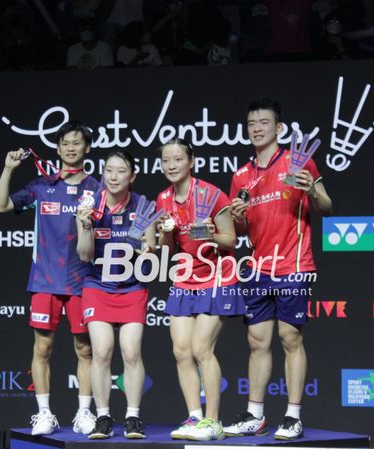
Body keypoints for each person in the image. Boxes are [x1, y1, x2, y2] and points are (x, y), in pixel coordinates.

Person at [225, 99, 332, 440]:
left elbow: (327, 207)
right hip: (257, 268)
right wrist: (239, 219)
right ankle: (255, 414)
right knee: (257, 342)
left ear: (279, 129)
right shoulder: (241, 175)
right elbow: (240, 231)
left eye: (263, 122)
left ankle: (293, 415)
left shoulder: (297, 161)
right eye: (251, 123)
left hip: (293, 264)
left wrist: (313, 189)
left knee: (290, 338)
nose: (256, 128)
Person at [0, 121, 101, 436]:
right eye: (65, 143)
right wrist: (8, 169)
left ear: (86, 148)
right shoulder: (41, 186)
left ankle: (84, 413)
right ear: (57, 148)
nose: (70, 147)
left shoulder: (96, 189)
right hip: (45, 281)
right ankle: (43, 414)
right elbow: (0, 206)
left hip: (83, 281)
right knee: (42, 348)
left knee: (85, 350)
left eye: (77, 143)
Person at [155, 138, 246, 441]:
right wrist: (164, 233)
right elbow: (168, 249)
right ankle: (194, 417)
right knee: (181, 351)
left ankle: (213, 421)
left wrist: (210, 234)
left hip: (218, 277)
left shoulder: (211, 194)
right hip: (184, 279)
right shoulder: (163, 199)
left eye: (178, 159)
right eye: (166, 160)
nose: (171, 165)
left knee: (201, 348)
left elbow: (231, 240)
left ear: (191, 161)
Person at [75, 150, 156, 440]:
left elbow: (152, 252)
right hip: (97, 286)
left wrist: (148, 250)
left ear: (132, 176)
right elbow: (85, 255)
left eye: (120, 171)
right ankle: (103, 417)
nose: (113, 176)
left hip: (133, 288)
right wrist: (86, 226)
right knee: (101, 351)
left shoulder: (145, 207)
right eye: (108, 170)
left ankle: (133, 417)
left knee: (132, 352)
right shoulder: (89, 206)